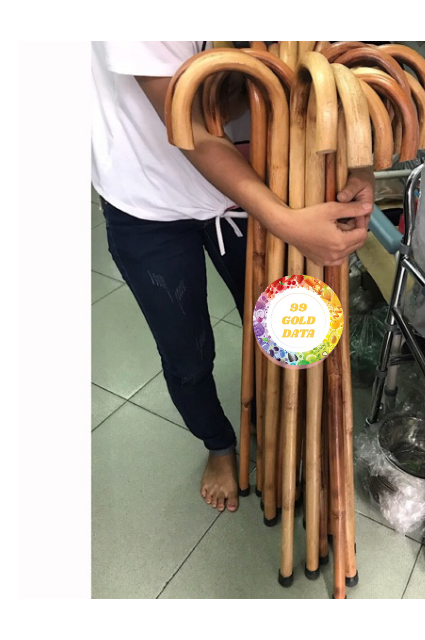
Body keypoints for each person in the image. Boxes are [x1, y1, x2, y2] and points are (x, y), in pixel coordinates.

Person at [91, 41, 374, 514]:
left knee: (287, 329)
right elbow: (191, 123)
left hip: (260, 177)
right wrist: (286, 223)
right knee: (187, 352)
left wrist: (359, 165)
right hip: (147, 196)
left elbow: (338, 79)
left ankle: (275, 423)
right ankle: (219, 445)